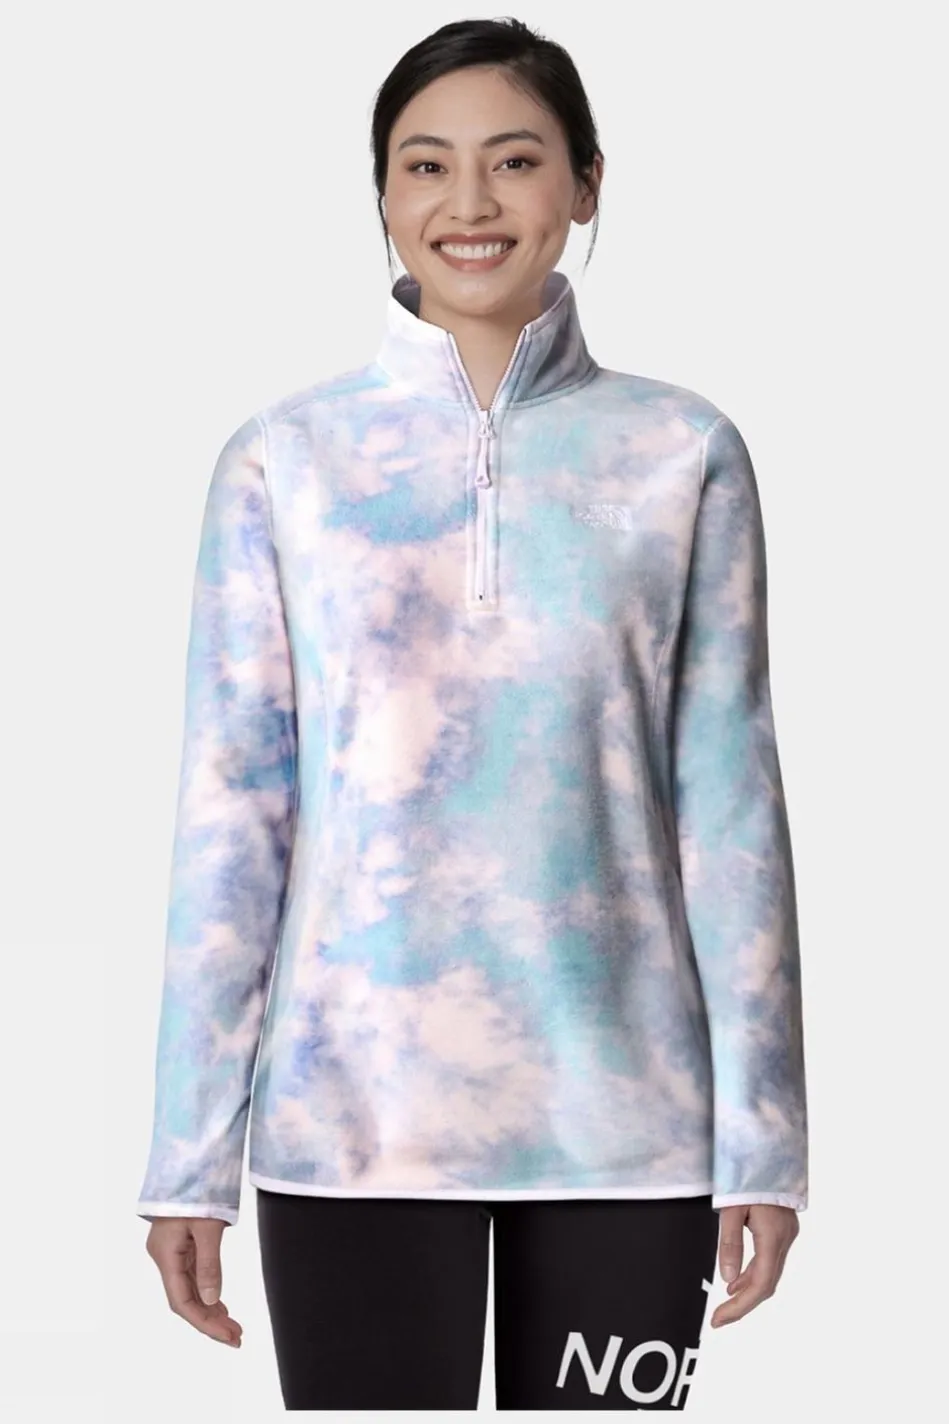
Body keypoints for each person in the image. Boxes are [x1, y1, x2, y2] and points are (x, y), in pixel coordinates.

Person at [136, 17, 808, 1411]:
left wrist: (764, 1139)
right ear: (383, 195)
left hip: (633, 1137)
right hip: (348, 1131)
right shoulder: (284, 463)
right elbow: (233, 822)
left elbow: (731, 808)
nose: (470, 202)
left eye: (515, 160)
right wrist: (188, 1161)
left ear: (587, 183)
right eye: (426, 165)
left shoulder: (683, 455)